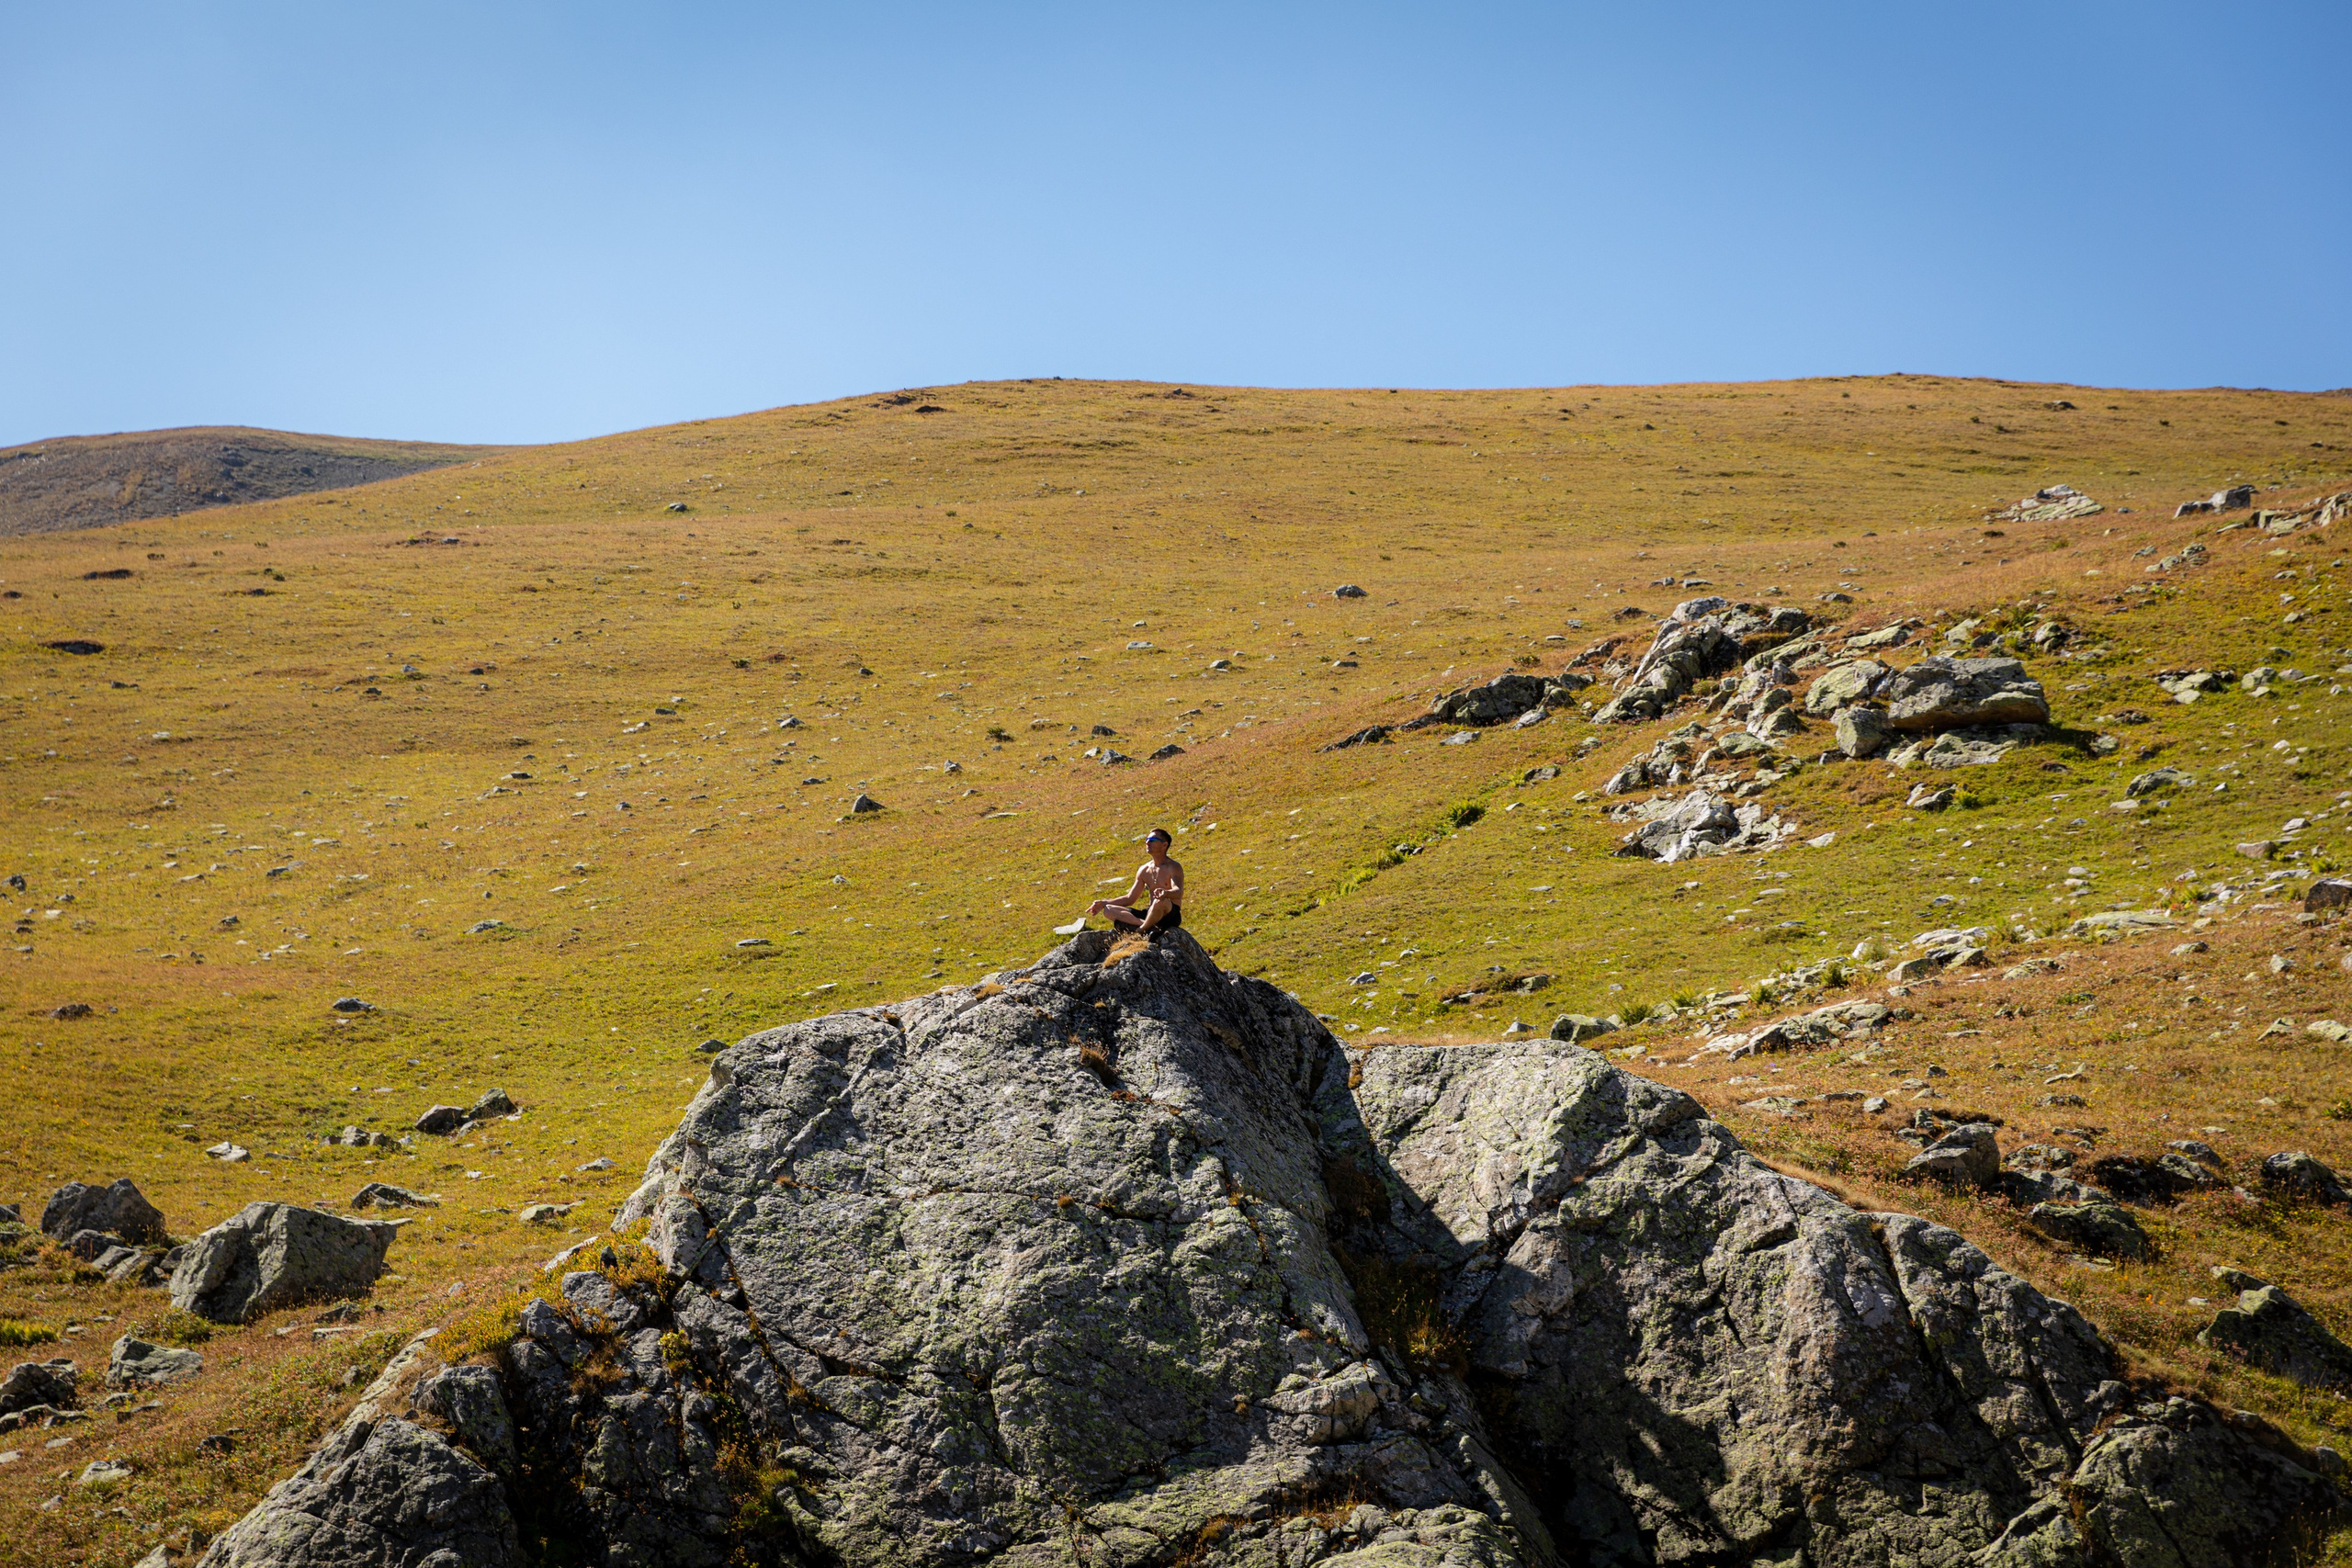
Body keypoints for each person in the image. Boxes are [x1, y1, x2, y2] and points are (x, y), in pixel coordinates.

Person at [1085, 828, 1183, 933]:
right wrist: (1103, 903)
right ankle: (1147, 925)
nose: (1147, 842)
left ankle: (1141, 929)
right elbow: (1130, 898)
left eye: (1153, 839)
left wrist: (1165, 893)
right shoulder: (1144, 870)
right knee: (1109, 909)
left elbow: (1178, 893)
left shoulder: (1173, 867)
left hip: (1169, 913)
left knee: (1160, 901)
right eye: (1147, 839)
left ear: (1164, 845)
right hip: (1149, 912)